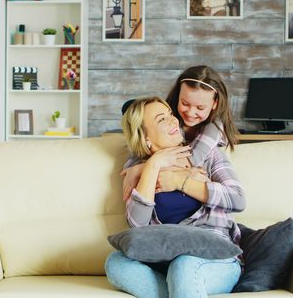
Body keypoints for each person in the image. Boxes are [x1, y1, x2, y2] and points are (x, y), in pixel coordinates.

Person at [105, 97, 245, 298]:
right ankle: (181, 290)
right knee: (116, 263)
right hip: (164, 261)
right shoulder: (136, 169)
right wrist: (154, 164)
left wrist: (182, 182)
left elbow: (238, 199)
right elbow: (137, 225)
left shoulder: (209, 156)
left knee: (184, 265)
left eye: (171, 114)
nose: (173, 121)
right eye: (162, 119)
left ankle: (181, 286)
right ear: (146, 138)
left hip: (214, 258)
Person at [121, 65, 239, 200]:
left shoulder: (214, 129)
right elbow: (139, 147)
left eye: (200, 107)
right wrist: (135, 167)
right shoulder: (169, 121)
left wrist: (140, 169)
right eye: (185, 103)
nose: (190, 112)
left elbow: (189, 160)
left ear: (215, 104)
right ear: (178, 96)